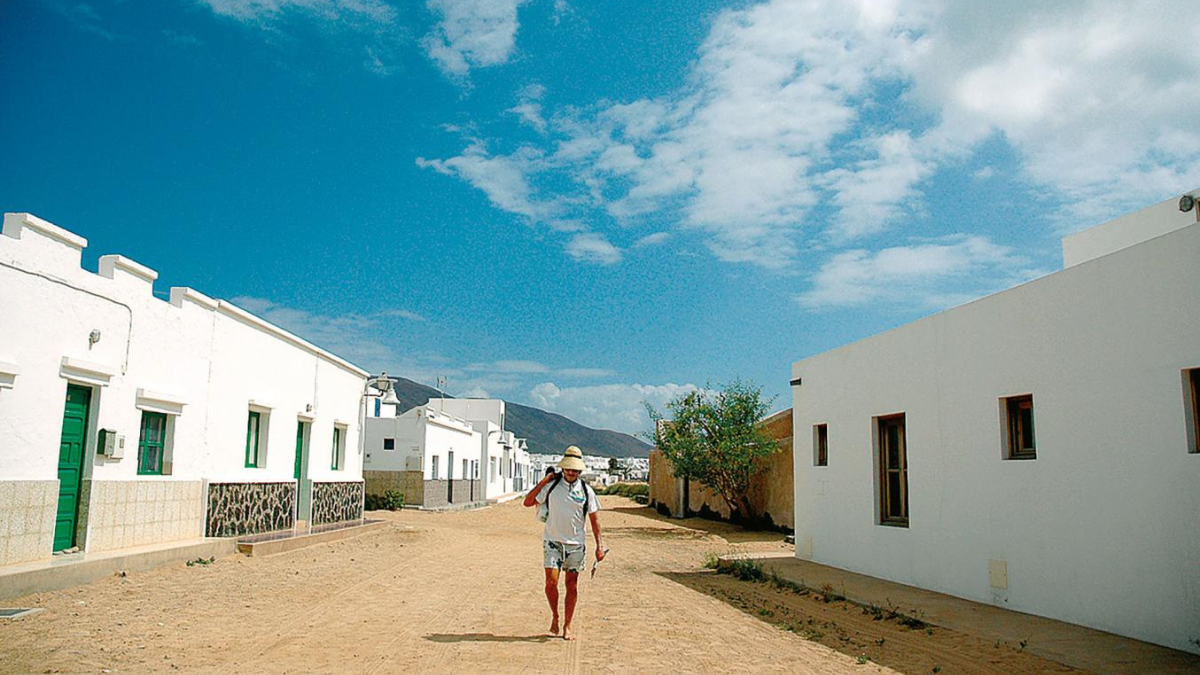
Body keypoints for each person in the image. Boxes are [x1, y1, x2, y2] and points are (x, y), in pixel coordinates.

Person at [523, 445, 604, 640]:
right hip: (552, 542)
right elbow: (528, 501)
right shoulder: (551, 487)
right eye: (568, 468)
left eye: (575, 470)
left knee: (572, 585)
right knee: (551, 583)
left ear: (579, 471)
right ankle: (555, 616)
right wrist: (545, 480)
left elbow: (594, 520)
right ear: (563, 468)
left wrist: (600, 546)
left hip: (576, 545)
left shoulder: (586, 491)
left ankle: (567, 625)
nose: (571, 472)